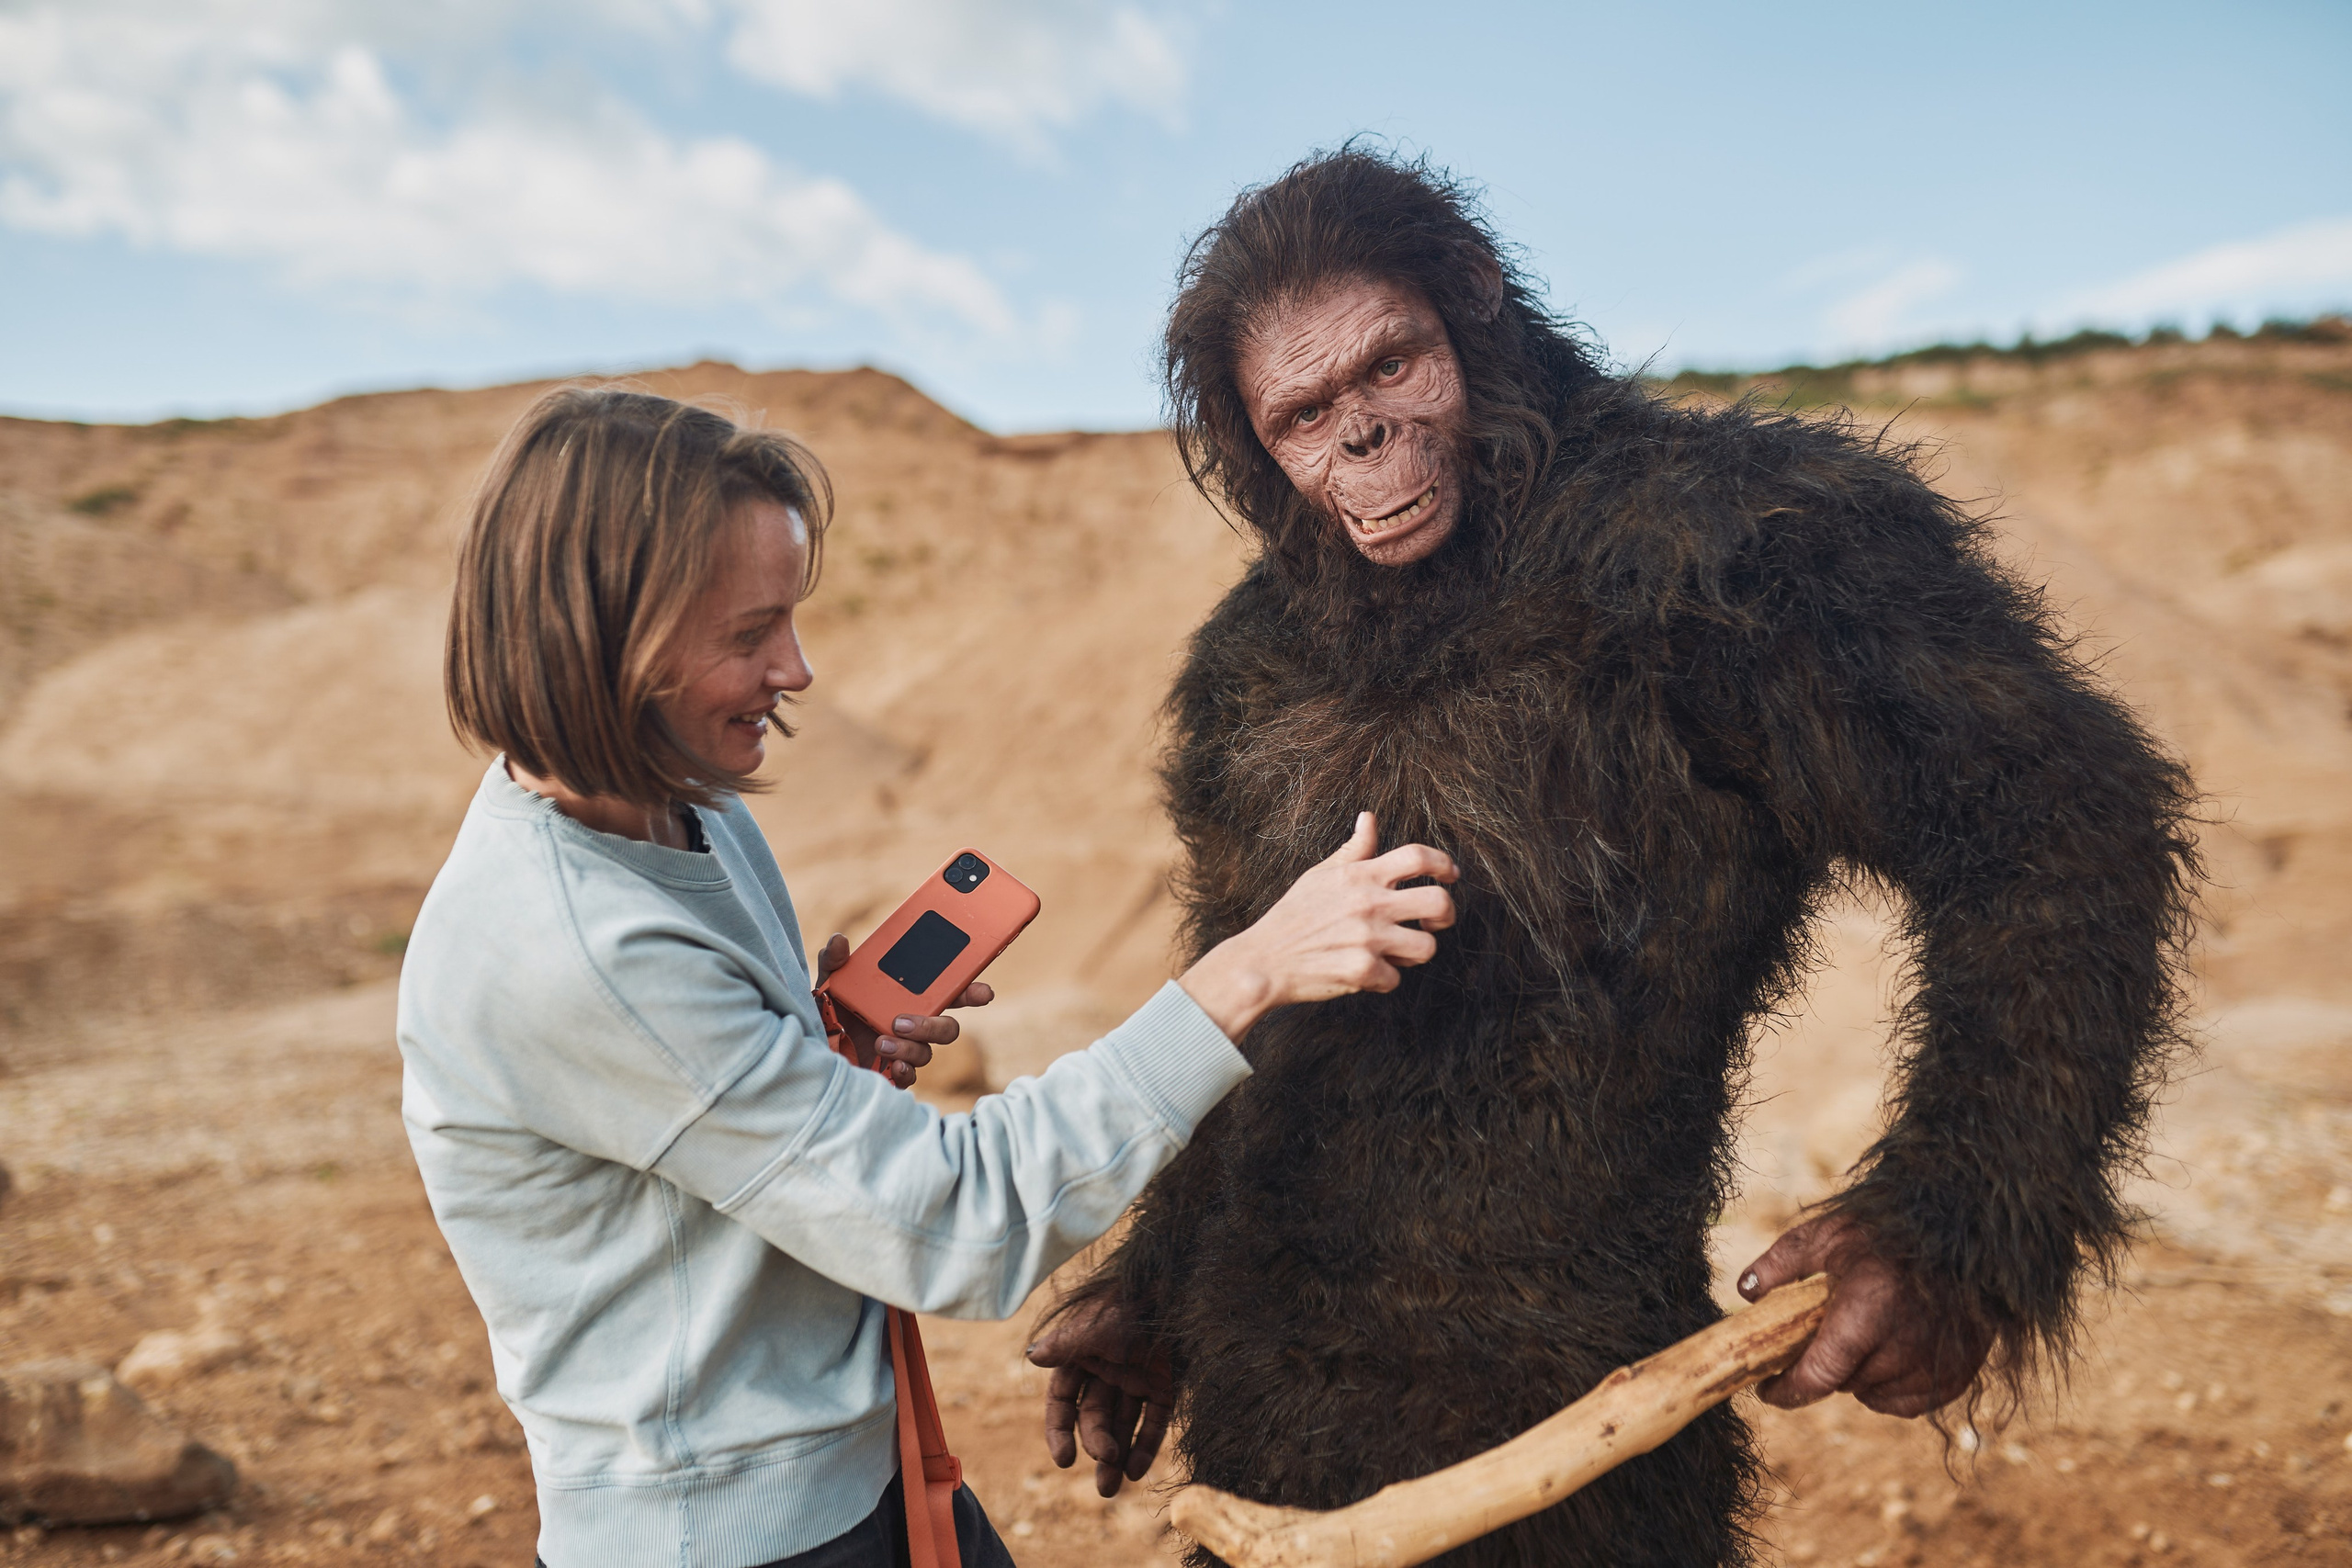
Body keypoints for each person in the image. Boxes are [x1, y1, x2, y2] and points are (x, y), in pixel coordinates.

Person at [1027, 151, 2199, 1566]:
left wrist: (1958, 1221)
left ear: (1471, 305)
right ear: (1252, 445)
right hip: (1274, 1425)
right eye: (1305, 416)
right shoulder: (1251, 664)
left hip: (1581, 1432)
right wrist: (1155, 1288)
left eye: (1390, 369)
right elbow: (1253, 1015)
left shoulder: (1726, 543)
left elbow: (2059, 822)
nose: (1364, 445)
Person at [394, 384, 1459, 1568]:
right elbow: (956, 1220)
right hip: (739, 1537)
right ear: (603, 638)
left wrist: (815, 1050)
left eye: (788, 618)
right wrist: (1248, 971)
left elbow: (699, 1132)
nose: (796, 671)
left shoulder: (672, 811)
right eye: (748, 635)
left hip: (865, 1474)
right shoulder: (574, 951)